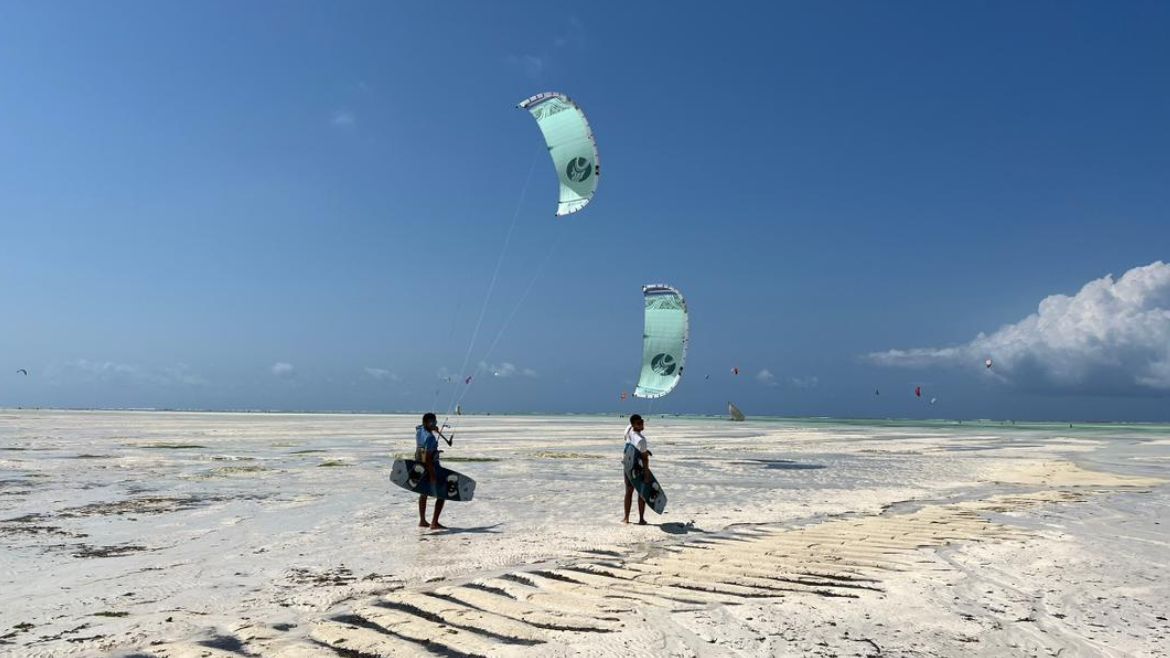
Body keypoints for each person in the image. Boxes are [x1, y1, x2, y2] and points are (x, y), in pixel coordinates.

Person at [415, 412, 449, 530]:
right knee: (442, 493)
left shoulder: (420, 431)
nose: (434, 424)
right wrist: (433, 474)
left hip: (420, 465)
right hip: (431, 467)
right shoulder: (430, 438)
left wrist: (433, 428)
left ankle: (422, 521)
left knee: (423, 493)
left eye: (435, 422)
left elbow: (420, 428)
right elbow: (428, 458)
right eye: (432, 422)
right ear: (426, 423)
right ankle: (434, 523)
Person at [623, 414, 652, 525]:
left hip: (627, 464)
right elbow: (645, 459)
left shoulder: (628, 429)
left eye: (642, 422)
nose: (641, 424)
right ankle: (641, 519)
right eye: (639, 423)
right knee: (642, 493)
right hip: (637, 467)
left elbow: (630, 443)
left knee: (628, 491)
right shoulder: (641, 440)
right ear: (634, 425)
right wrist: (646, 474)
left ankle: (626, 518)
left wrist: (644, 450)